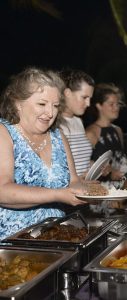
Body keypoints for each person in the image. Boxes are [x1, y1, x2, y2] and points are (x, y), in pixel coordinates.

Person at [0, 67, 87, 240]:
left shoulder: (58, 136)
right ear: (18, 103)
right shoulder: (4, 133)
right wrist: (57, 194)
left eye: (55, 106)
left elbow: (73, 181)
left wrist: (89, 192)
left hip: (56, 237)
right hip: (12, 242)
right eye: (42, 104)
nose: (50, 113)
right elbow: (3, 191)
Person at [85, 83, 127, 188]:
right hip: (100, 191)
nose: (116, 108)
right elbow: (84, 168)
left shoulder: (117, 130)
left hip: (119, 189)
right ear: (99, 106)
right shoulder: (91, 133)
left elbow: (121, 160)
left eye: (118, 104)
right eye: (111, 104)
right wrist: (109, 172)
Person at [59, 69, 94, 177]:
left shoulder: (78, 121)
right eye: (84, 97)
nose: (88, 104)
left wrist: (93, 166)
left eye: (90, 98)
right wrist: (79, 179)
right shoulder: (53, 125)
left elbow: (79, 161)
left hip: (82, 189)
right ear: (67, 93)